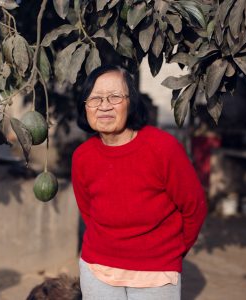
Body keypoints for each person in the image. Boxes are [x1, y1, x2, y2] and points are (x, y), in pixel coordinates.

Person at [71, 65, 207, 300]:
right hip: (97, 270)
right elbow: (88, 211)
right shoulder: (82, 156)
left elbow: (194, 207)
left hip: (156, 273)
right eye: (94, 98)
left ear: (131, 102)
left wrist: (170, 253)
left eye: (114, 96)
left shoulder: (163, 148)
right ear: (85, 107)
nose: (104, 106)